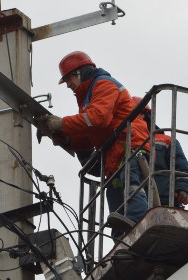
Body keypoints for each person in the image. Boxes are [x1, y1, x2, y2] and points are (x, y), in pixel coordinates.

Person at [40, 51, 151, 236]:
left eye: (68, 79)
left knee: (132, 186)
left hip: (131, 146)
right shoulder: (88, 96)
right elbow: (90, 134)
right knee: (116, 201)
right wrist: (65, 138)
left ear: (80, 73)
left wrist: (62, 123)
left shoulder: (104, 84)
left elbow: (98, 119)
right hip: (114, 157)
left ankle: (136, 225)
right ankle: (121, 241)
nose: (67, 85)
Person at [132, 96, 188, 208]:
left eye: (139, 114)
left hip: (165, 201)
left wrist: (184, 189)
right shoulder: (124, 141)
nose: (138, 118)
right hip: (135, 202)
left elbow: (182, 168)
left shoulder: (166, 141)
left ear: (146, 115)